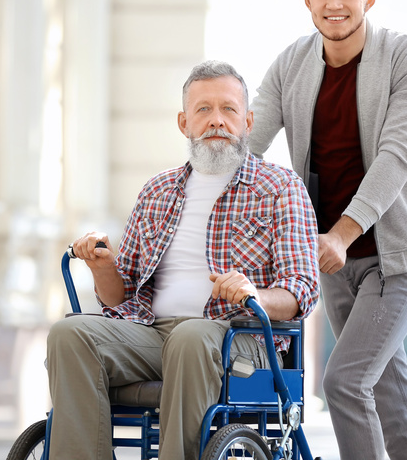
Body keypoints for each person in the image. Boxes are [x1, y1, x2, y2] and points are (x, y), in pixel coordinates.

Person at [46, 60, 320, 460]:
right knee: (69, 334)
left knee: (191, 338)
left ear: (247, 120)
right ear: (184, 122)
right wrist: (103, 267)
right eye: (203, 110)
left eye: (228, 109)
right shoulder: (157, 191)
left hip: (237, 338)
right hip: (154, 334)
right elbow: (119, 297)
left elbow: (303, 288)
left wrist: (253, 293)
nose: (216, 121)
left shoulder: (280, 188)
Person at [249, 0, 407, 460]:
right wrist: (191, 192)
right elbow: (246, 143)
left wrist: (342, 232)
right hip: (332, 261)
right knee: (391, 403)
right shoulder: (291, 64)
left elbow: (396, 156)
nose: (334, 3)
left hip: (399, 252)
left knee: (344, 383)